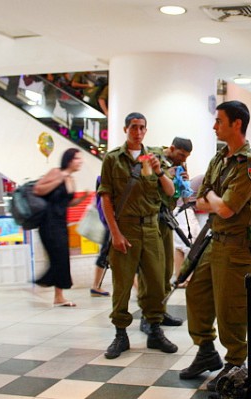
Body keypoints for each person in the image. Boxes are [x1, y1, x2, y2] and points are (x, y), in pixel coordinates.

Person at [179, 101, 251, 392]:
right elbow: (202, 196)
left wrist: (214, 201)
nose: (214, 126)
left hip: (236, 247)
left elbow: (229, 208)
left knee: (230, 308)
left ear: (236, 124)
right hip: (213, 242)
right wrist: (214, 200)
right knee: (196, 292)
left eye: (219, 121)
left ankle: (235, 364)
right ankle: (206, 349)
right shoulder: (220, 157)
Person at [98, 112, 178, 359]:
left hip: (152, 227)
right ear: (125, 129)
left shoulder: (154, 158)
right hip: (126, 228)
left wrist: (160, 171)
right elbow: (106, 198)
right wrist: (115, 233)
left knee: (156, 281)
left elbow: (171, 192)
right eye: (134, 127)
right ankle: (120, 334)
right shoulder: (113, 159)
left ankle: (154, 330)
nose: (138, 132)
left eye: (142, 127)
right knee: (122, 284)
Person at [139, 136, 193, 334]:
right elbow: (143, 183)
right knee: (151, 270)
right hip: (149, 218)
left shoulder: (178, 164)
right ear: (171, 148)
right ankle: (147, 315)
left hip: (165, 218)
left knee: (166, 269)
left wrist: (182, 182)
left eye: (186, 157)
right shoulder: (153, 156)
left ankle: (160, 311)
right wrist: (165, 174)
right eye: (181, 155)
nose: (182, 159)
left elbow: (176, 196)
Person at [33, 148, 89, 307]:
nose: (81, 161)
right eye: (78, 158)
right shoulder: (56, 172)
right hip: (48, 222)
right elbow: (37, 189)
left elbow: (67, 203)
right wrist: (59, 179)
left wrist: (82, 198)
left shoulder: (71, 179)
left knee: (62, 256)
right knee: (59, 256)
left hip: (60, 222)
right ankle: (44, 283)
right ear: (69, 159)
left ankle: (57, 295)